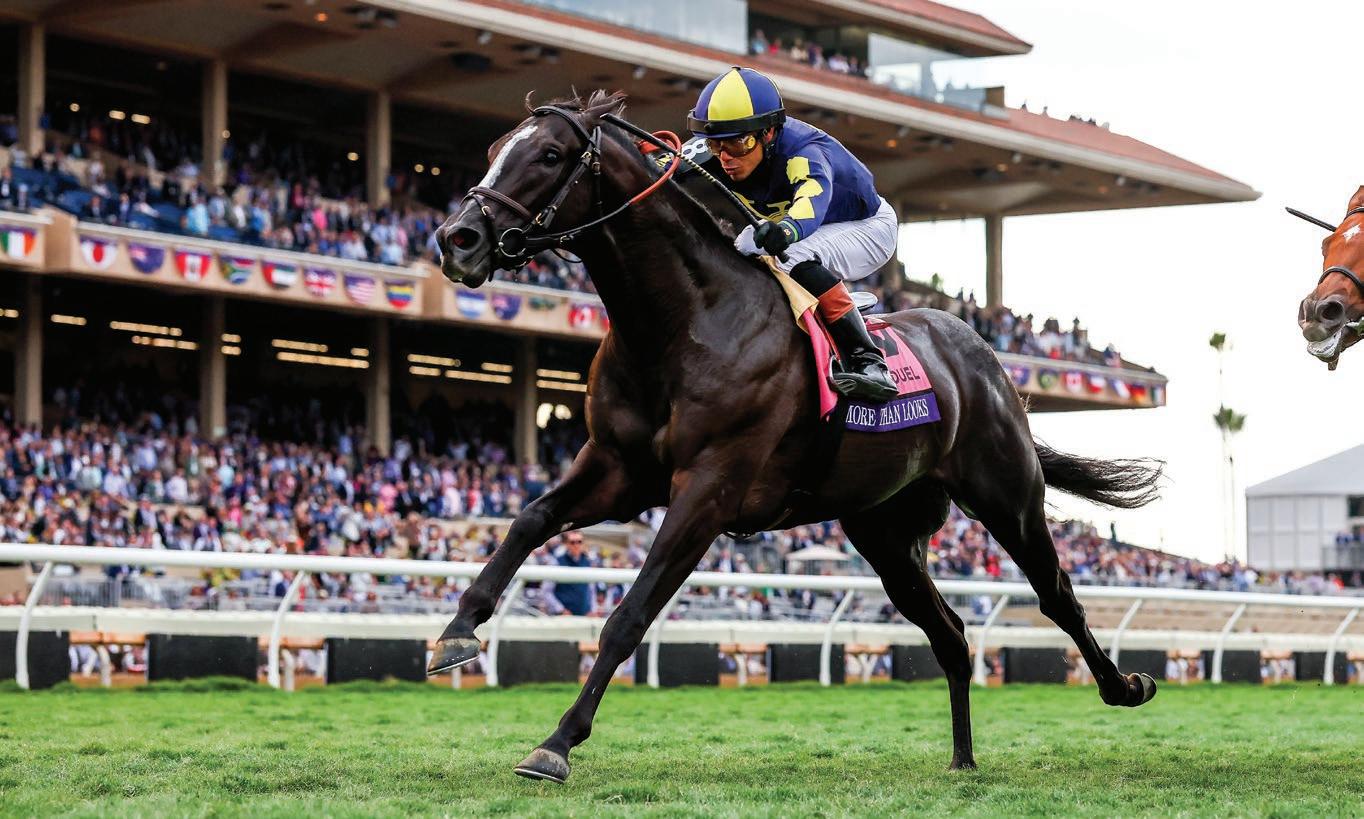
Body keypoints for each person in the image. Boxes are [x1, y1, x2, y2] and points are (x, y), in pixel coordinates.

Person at [686, 66, 898, 402]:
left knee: (794, 253)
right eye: (715, 145)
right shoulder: (726, 145)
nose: (725, 158)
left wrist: (786, 230)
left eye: (739, 144)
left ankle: (868, 360)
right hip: (813, 225)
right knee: (742, 247)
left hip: (869, 227)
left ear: (769, 133)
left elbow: (810, 205)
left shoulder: (804, 153)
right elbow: (661, 166)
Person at [552, 533, 592, 616]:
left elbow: (591, 589)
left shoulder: (587, 562)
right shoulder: (557, 562)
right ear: (566, 544)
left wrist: (592, 609)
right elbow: (546, 591)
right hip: (563, 616)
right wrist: (560, 609)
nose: (576, 545)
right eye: (572, 542)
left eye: (579, 542)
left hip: (584, 614)